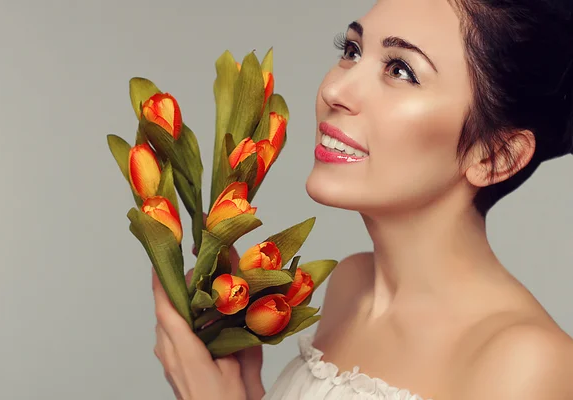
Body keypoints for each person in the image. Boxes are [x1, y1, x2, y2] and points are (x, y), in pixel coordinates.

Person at [150, 0, 573, 398]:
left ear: (496, 156)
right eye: (351, 50)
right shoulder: (350, 288)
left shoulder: (529, 365)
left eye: (401, 70)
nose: (336, 89)